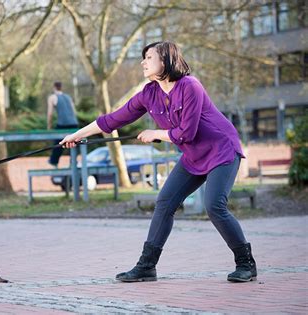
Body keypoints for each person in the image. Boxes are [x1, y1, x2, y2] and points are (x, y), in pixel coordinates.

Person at [59, 41, 257, 283]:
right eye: (144, 57)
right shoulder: (148, 94)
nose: (143, 62)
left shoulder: (190, 86)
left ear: (166, 60)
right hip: (193, 156)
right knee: (164, 202)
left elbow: (187, 133)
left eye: (149, 57)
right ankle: (146, 266)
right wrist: (76, 135)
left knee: (214, 205)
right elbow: (112, 120)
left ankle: (246, 264)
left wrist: (156, 134)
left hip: (221, 150)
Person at [47, 81, 79, 167]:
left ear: (54, 87)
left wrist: (49, 125)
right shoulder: (68, 97)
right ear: (61, 87)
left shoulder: (52, 97)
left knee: (59, 142)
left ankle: (53, 161)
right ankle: (73, 162)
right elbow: (74, 111)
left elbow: (50, 113)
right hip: (74, 123)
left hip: (62, 124)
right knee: (74, 143)